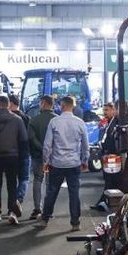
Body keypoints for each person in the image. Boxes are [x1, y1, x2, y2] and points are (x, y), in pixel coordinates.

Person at [38, 95, 89, 230]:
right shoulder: (80, 123)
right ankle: (75, 223)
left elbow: (47, 145)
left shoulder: (54, 122)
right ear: (73, 106)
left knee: (52, 191)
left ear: (62, 106)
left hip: (57, 163)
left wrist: (45, 161)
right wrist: (85, 160)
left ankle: (45, 219)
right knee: (74, 193)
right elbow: (85, 145)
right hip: (74, 163)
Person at [0, 94, 29, 224]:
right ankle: (11, 211)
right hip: (13, 156)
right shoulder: (17, 120)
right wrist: (23, 157)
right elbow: (23, 139)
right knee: (12, 184)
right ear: (8, 104)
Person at [26, 94, 56, 214]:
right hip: (54, 156)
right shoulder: (57, 120)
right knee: (50, 183)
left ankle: (37, 208)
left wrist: (42, 148)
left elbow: (31, 138)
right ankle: (48, 210)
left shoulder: (34, 120)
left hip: (38, 155)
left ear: (43, 104)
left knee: (38, 180)